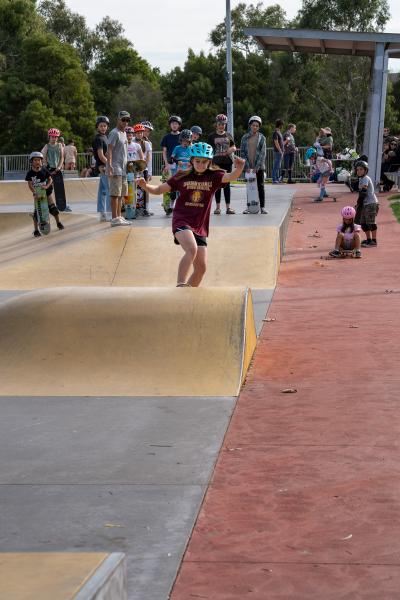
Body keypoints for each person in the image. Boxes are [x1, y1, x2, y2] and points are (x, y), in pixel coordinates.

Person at [137, 142, 245, 287]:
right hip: (182, 220)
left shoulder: (214, 176)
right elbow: (158, 190)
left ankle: (188, 296)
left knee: (201, 268)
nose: (200, 165)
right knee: (191, 249)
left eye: (204, 162)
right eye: (197, 161)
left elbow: (231, 176)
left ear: (209, 161)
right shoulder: (182, 176)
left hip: (200, 226)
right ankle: (180, 285)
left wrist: (240, 167)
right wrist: (145, 186)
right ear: (192, 160)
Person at [25, 151, 64, 237]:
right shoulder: (30, 173)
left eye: (39, 160)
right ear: (31, 161)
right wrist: (34, 192)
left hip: (47, 192)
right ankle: (36, 230)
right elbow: (30, 184)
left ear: (41, 161)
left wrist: (47, 186)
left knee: (53, 209)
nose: (37, 162)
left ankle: (58, 223)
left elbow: (50, 179)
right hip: (37, 194)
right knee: (37, 213)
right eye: (35, 160)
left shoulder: (44, 170)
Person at [207, 114, 236, 214]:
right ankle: (218, 207)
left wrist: (231, 149)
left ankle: (228, 207)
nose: (221, 126)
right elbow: (209, 150)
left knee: (227, 184)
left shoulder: (228, 135)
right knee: (217, 185)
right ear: (216, 124)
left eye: (223, 124)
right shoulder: (211, 136)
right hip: (216, 163)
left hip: (227, 162)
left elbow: (234, 146)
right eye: (220, 124)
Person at [107, 110, 131, 227]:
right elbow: (109, 149)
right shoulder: (114, 133)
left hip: (124, 168)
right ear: (118, 120)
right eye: (123, 120)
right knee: (115, 194)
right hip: (116, 167)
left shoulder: (124, 133)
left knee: (121, 193)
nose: (125, 122)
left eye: (127, 120)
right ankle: (114, 218)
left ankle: (119, 216)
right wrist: (109, 165)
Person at [240, 115, 267, 214]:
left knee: (260, 186)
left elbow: (263, 153)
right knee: (249, 187)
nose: (255, 127)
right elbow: (242, 152)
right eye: (253, 125)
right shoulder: (245, 137)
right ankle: (249, 207)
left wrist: (257, 167)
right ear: (250, 126)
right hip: (248, 167)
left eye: (257, 126)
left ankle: (262, 207)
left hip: (259, 167)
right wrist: (246, 166)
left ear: (259, 127)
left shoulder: (262, 138)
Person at [41, 128, 69, 211]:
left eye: (56, 137)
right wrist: (46, 165)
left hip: (57, 169)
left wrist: (59, 167)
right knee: (48, 187)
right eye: (52, 137)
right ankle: (47, 204)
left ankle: (61, 206)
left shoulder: (60, 145)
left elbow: (62, 157)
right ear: (49, 137)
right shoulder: (47, 146)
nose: (54, 138)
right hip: (49, 169)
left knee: (59, 189)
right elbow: (43, 156)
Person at [161, 115, 182, 211]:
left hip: (182, 165)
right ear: (170, 125)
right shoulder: (166, 137)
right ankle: (170, 204)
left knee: (181, 185)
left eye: (176, 124)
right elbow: (164, 151)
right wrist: (166, 164)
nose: (174, 125)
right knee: (172, 185)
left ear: (179, 125)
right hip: (170, 164)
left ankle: (181, 204)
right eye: (172, 123)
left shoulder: (182, 136)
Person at [355, 161, 379, 247]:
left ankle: (374, 241)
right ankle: (368, 240)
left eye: (361, 169)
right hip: (365, 204)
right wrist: (358, 204)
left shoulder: (365, 178)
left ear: (365, 170)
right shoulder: (361, 179)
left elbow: (363, 192)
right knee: (363, 223)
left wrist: (358, 203)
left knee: (371, 222)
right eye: (357, 170)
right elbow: (361, 194)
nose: (359, 171)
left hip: (371, 203)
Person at [93, 115, 111, 222]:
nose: (103, 128)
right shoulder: (98, 139)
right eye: (101, 126)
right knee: (109, 190)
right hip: (103, 167)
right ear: (97, 127)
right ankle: (109, 212)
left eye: (105, 126)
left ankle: (102, 212)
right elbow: (100, 155)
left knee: (102, 191)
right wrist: (109, 164)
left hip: (104, 166)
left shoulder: (106, 137)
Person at [272, 119, 284, 183]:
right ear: (280, 125)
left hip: (280, 151)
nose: (282, 126)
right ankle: (274, 179)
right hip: (277, 151)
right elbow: (276, 142)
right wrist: (280, 151)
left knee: (278, 166)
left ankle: (277, 178)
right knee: (276, 166)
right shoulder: (275, 133)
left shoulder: (279, 132)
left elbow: (281, 142)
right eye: (282, 125)